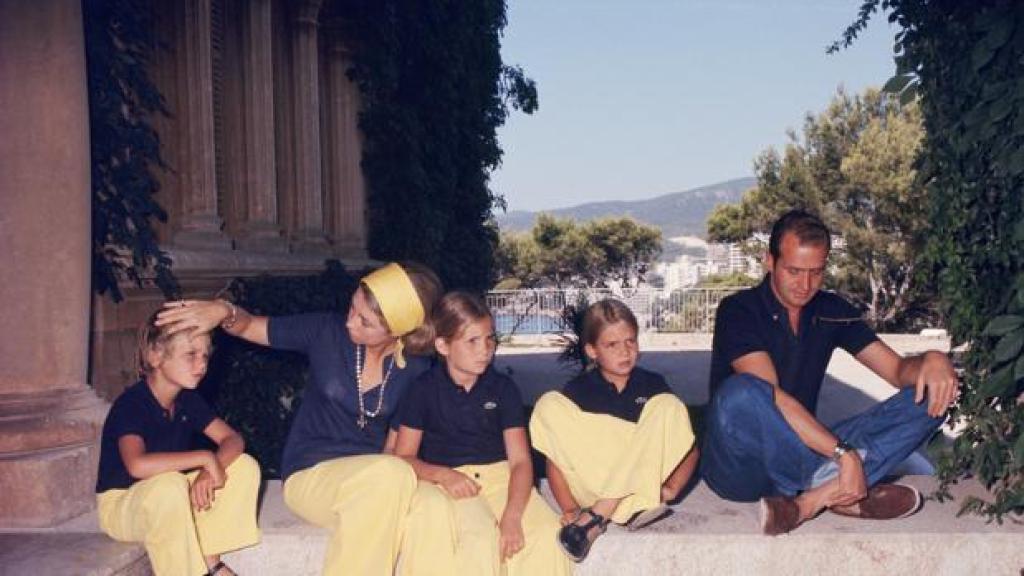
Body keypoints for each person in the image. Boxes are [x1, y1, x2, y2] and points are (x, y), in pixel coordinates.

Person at [156, 262, 442, 575]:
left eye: (365, 322)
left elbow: (393, 448)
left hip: (372, 483)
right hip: (311, 475)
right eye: (352, 307)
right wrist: (224, 311)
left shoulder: (414, 369)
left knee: (432, 507)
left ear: (396, 331)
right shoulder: (326, 333)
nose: (350, 323)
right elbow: (252, 327)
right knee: (392, 476)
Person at [701, 209, 959, 535]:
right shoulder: (739, 310)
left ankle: (810, 501)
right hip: (741, 468)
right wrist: (844, 454)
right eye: (794, 271)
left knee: (936, 393)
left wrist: (933, 360)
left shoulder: (831, 310)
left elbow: (895, 370)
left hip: (807, 450)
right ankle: (839, 490)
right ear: (769, 261)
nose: (805, 285)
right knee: (740, 393)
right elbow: (768, 402)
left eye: (816, 272)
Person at [395, 292, 572, 576]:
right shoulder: (422, 390)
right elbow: (403, 457)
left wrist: (513, 517)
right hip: (453, 484)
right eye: (473, 341)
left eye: (490, 339)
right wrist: (442, 475)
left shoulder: (503, 389)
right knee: (478, 541)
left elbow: (520, 462)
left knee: (546, 534)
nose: (485, 350)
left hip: (503, 479)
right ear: (443, 345)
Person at [529, 299, 699, 562]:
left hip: (640, 485)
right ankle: (628, 508)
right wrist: (570, 508)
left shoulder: (652, 385)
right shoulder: (578, 390)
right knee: (548, 405)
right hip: (594, 484)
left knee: (669, 406)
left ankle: (600, 515)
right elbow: (557, 458)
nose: (625, 352)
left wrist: (671, 489)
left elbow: (688, 445)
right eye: (612, 345)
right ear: (592, 350)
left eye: (631, 341)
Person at [96, 310, 261, 576]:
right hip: (123, 505)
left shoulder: (187, 400)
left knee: (244, 466)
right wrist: (204, 458)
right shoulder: (132, 403)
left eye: (206, 355)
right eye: (191, 355)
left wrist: (210, 468)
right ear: (155, 355)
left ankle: (211, 560)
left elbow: (233, 439)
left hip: (169, 496)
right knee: (170, 484)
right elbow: (137, 465)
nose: (202, 364)